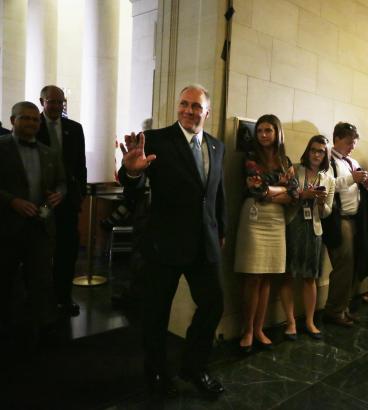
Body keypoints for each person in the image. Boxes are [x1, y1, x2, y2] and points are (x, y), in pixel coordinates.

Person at [118, 84, 226, 399]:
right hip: (163, 243)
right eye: (184, 104)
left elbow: (219, 194)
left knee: (213, 304)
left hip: (204, 242)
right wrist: (132, 173)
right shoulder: (156, 141)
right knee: (156, 313)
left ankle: (194, 366)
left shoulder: (217, 146)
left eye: (196, 106)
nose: (189, 111)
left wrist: (222, 230)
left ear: (207, 112)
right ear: (177, 107)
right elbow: (133, 190)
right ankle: (155, 372)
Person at [0, 101, 65, 346]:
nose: (31, 123)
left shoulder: (49, 152)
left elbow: (61, 181)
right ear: (12, 120)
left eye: (35, 119)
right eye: (24, 118)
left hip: (39, 227)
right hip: (6, 227)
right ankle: (6, 329)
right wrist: (12, 201)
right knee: (5, 279)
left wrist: (60, 193)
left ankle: (44, 328)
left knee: (41, 280)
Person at [234, 114, 298, 352]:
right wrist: (281, 190)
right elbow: (256, 189)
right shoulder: (251, 157)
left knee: (269, 275)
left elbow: (295, 193)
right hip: (254, 217)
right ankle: (247, 330)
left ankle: (259, 329)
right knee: (253, 276)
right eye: (259, 130)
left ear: (277, 132)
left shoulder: (285, 160)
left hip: (276, 221)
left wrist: (276, 191)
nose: (263, 135)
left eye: (268, 130)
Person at [36, 85, 87, 317]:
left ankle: (63, 298)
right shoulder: (31, 126)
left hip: (67, 202)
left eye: (60, 102)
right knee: (39, 253)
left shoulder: (75, 128)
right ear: (42, 101)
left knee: (67, 252)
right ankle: (41, 301)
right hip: (39, 201)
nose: (56, 106)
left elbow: (80, 165)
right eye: (51, 101)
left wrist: (80, 196)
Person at [280, 135, 335, 340]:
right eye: (313, 150)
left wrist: (320, 203)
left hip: (314, 229)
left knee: (310, 277)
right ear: (307, 151)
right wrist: (304, 195)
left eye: (321, 151)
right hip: (293, 225)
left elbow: (328, 212)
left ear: (325, 155)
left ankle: (310, 321)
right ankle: (291, 322)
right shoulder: (295, 169)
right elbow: (287, 198)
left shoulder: (329, 179)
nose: (316, 154)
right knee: (288, 274)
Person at [323, 122, 368, 326]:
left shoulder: (351, 162)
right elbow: (327, 186)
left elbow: (357, 185)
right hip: (339, 218)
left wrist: (366, 182)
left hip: (356, 218)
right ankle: (334, 310)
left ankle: (343, 307)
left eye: (354, 142)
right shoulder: (327, 161)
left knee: (354, 264)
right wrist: (353, 179)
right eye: (349, 142)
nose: (352, 146)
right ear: (336, 139)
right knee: (343, 265)